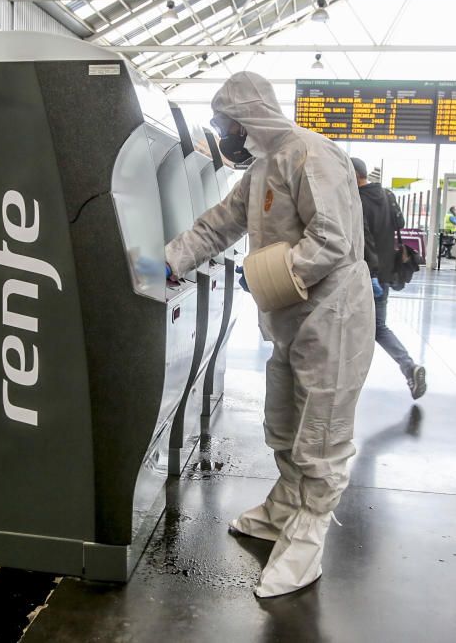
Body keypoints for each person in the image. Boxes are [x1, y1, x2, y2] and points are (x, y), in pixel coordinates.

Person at [164, 72, 375, 598]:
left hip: (334, 319)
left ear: (248, 116)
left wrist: (267, 274)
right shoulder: (262, 169)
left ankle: (308, 533)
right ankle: (285, 506)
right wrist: (166, 261)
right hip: (292, 319)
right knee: (284, 419)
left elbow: (333, 240)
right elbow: (219, 225)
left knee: (320, 430)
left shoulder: (312, 154)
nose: (223, 134)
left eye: (224, 124)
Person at [353, 158, 427, 400]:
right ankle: (409, 367)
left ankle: (345, 380)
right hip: (386, 273)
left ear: (354, 176)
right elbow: (401, 224)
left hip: (367, 276)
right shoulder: (387, 195)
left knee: (351, 326)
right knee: (379, 328)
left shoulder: (358, 201)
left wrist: (370, 273)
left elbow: (365, 242)